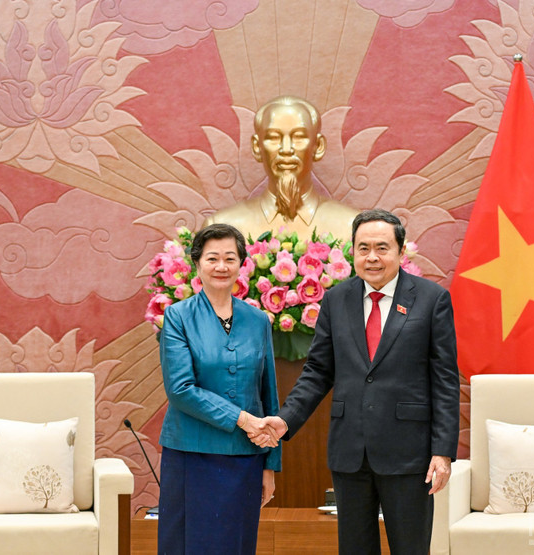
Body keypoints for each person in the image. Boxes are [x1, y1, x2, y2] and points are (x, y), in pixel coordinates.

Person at [253, 209, 460, 555]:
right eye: (363, 248)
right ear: (352, 252)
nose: (372, 257)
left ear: (400, 251)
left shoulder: (430, 299)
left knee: (410, 548)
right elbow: (319, 371)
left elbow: (445, 380)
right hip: (350, 451)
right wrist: (285, 419)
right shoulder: (336, 300)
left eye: (382, 247)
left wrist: (442, 451)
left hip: (409, 452)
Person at [157, 223, 281, 555]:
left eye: (230, 258)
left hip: (246, 458)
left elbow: (268, 393)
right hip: (191, 455)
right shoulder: (178, 317)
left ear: (242, 264)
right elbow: (181, 389)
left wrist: (270, 463)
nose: (222, 266)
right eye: (213, 258)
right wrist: (243, 419)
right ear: (197, 263)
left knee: (237, 545)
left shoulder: (258, 321)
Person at [203, 95, 358, 241]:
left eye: (298, 137)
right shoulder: (221, 228)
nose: (286, 149)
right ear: (257, 147)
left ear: (318, 146)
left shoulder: (351, 227)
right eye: (273, 137)